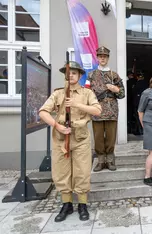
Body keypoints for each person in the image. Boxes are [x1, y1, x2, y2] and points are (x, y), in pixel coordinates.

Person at [38, 61, 102, 222]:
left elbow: (97, 111)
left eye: (74, 73)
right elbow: (43, 112)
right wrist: (56, 125)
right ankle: (66, 204)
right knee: (61, 172)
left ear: (80, 75)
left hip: (80, 138)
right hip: (61, 139)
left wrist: (77, 104)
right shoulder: (58, 94)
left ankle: (82, 204)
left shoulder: (87, 93)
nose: (71, 75)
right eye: (69, 72)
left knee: (82, 171)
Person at [88, 46, 125, 172]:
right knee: (98, 136)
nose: (102, 58)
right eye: (100, 56)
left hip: (111, 109)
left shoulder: (114, 75)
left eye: (105, 56)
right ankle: (100, 160)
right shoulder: (91, 75)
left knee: (111, 135)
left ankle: (109, 159)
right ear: (97, 58)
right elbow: (87, 93)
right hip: (97, 109)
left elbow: (122, 94)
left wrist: (115, 89)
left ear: (108, 58)